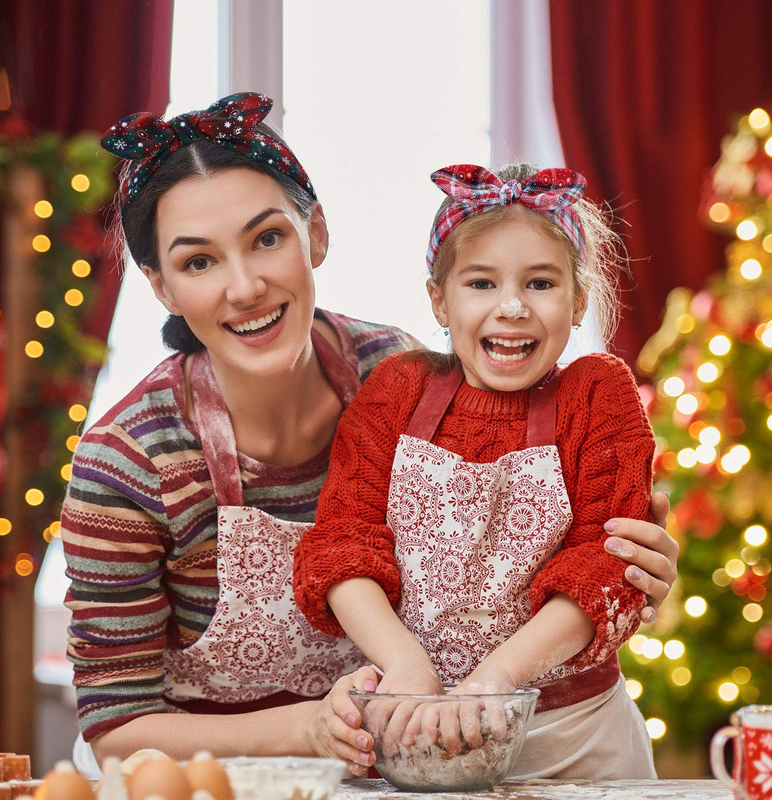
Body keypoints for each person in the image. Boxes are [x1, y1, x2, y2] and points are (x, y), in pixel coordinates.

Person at [60, 93, 676, 778]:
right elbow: (116, 729)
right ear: (161, 287)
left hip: (392, 771)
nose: (245, 287)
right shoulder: (127, 464)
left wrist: (631, 560)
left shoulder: (396, 371)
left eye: (268, 239)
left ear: (315, 234)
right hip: (214, 778)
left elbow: (550, 541)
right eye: (198, 262)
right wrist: (310, 728)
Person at [294, 163, 661, 779]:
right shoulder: (397, 390)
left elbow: (607, 562)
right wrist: (406, 666)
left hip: (573, 740)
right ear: (440, 298)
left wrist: (498, 679)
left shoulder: (599, 395)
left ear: (578, 301)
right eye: (481, 283)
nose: (512, 307)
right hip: (418, 731)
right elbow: (342, 545)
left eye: (540, 283)